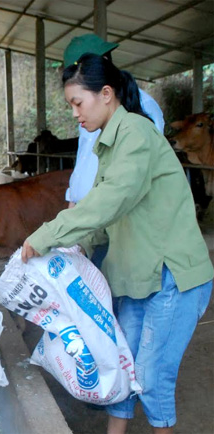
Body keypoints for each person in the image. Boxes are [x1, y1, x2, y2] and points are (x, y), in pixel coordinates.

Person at [20, 53, 213, 434]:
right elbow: (104, 219)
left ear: (106, 93)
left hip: (170, 277)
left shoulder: (137, 135)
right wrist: (71, 251)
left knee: (151, 379)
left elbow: (111, 201)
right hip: (137, 279)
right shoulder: (109, 143)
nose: (75, 113)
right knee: (121, 365)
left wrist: (46, 236)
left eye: (78, 102)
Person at [63, 34, 165, 206]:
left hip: (112, 212)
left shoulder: (142, 111)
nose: (75, 113)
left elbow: (132, 179)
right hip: (88, 211)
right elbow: (85, 159)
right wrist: (73, 199)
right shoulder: (89, 111)